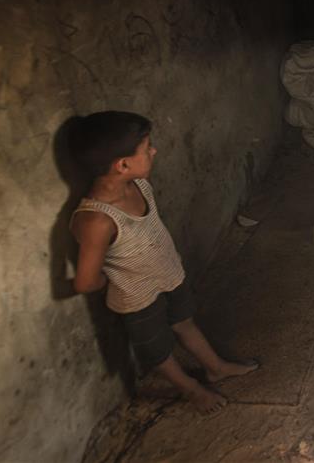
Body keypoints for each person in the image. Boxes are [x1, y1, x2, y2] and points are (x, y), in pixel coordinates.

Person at [68, 111, 258, 413]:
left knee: (184, 321)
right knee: (157, 350)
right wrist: (115, 280)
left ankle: (216, 368)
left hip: (168, 273)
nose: (154, 151)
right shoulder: (97, 220)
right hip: (137, 297)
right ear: (123, 165)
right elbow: (86, 281)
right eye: (147, 148)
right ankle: (191, 389)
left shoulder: (139, 185)